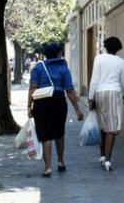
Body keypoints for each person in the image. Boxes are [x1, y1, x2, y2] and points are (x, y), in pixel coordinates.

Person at [28, 42, 84, 177]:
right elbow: (69, 90)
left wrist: (29, 106)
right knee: (59, 132)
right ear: (59, 53)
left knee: (46, 135)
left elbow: (33, 88)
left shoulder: (38, 67)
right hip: (58, 100)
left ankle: (47, 168)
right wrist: (77, 109)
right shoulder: (63, 68)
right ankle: (60, 161)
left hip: (41, 102)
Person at [88, 37, 124, 171]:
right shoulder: (121, 62)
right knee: (111, 127)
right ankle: (108, 159)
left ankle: (102, 155)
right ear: (118, 48)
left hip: (99, 92)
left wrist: (90, 97)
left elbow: (94, 79)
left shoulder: (99, 59)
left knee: (102, 125)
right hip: (113, 92)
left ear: (105, 47)